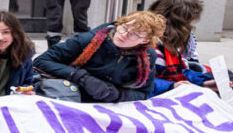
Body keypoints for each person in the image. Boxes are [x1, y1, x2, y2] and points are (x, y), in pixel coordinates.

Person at [34, 10, 164, 103]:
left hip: (106, 106)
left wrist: (118, 95)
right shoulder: (89, 40)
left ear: (145, 41)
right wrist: (81, 77)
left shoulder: (147, 57)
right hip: (69, 96)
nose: (123, 34)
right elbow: (41, 61)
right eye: (124, 27)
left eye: (134, 34)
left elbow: (144, 93)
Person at [147, 0, 233, 100]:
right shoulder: (151, 44)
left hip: (172, 85)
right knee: (226, 78)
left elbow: (180, 71)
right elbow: (142, 81)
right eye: (188, 23)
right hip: (160, 92)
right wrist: (173, 86)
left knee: (225, 78)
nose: (190, 27)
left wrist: (203, 82)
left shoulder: (167, 42)